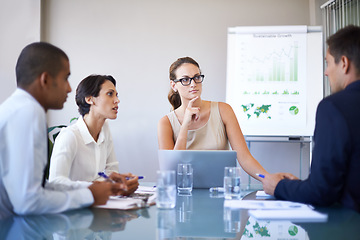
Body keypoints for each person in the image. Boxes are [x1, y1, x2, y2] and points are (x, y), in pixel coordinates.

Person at [0, 42, 123, 216]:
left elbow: (42, 186)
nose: (69, 88)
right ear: (45, 80)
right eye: (65, 78)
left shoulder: (18, 108)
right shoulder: (29, 112)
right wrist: (89, 196)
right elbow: (28, 202)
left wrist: (96, 188)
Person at [262, 25, 360, 212]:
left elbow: (322, 193)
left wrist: (278, 187)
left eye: (328, 63)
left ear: (344, 63)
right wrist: (305, 186)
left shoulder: (333, 107)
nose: (326, 72)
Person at [157, 57, 295, 181]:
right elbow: (170, 172)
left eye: (197, 77)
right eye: (185, 80)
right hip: (182, 194)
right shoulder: (165, 123)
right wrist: (185, 125)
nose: (193, 84)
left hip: (220, 192)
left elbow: (245, 158)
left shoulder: (223, 110)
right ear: (174, 85)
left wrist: (268, 179)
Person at [49, 75, 138, 196]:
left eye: (116, 95)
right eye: (110, 94)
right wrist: (97, 186)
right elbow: (56, 183)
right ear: (90, 99)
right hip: (74, 208)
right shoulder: (69, 136)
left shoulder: (105, 129)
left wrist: (120, 183)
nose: (117, 100)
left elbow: (111, 170)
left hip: (99, 204)